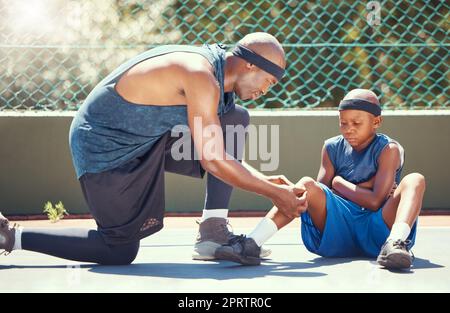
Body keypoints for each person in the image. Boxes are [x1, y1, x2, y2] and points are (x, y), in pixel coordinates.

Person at [0, 32, 308, 265]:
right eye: (267, 80)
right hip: (104, 148)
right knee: (119, 249)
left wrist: (268, 182)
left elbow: (216, 147)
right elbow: (214, 159)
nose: (265, 90)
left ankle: (213, 230)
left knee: (234, 118)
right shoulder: (201, 75)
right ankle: (10, 237)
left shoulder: (214, 74)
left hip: (145, 139)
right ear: (250, 63)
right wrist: (272, 193)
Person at [215, 89, 426, 269]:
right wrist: (360, 187)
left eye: (356, 123)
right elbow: (318, 195)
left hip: (377, 229)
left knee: (415, 179)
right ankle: (252, 244)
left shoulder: (388, 149)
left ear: (376, 122)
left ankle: (396, 243)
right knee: (306, 185)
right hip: (337, 231)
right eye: (343, 123)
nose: (348, 129)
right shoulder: (332, 147)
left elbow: (375, 202)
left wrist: (338, 182)